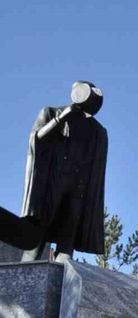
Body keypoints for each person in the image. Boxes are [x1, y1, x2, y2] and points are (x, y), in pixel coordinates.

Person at [20, 81, 108, 262]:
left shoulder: (98, 131)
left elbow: (96, 168)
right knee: (38, 236)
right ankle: (23, 274)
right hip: (52, 183)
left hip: (78, 189)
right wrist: (60, 119)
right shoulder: (51, 113)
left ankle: (63, 276)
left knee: (67, 241)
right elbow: (36, 139)